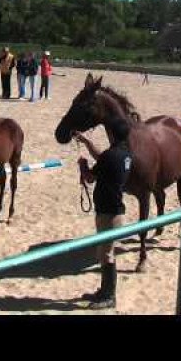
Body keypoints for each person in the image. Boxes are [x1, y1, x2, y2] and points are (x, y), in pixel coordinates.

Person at [74, 117, 133, 309]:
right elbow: (103, 157)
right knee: (104, 252)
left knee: (107, 255)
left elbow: (90, 178)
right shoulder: (125, 154)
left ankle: (109, 296)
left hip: (107, 212)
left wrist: (82, 166)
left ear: (111, 134)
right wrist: (86, 142)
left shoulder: (110, 156)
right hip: (115, 210)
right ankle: (104, 290)